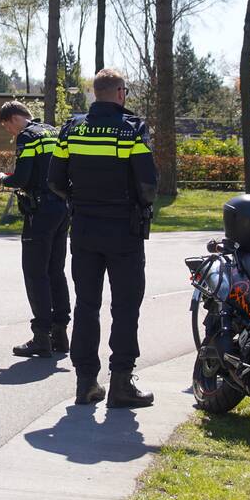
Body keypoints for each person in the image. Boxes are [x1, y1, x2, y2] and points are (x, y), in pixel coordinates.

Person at [48, 68, 158, 408]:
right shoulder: (130, 132)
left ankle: (86, 384)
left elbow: (54, 179)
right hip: (124, 231)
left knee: (86, 306)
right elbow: (149, 185)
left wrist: (78, 201)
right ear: (121, 93)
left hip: (83, 230)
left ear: (95, 93)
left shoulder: (71, 130)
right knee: (125, 307)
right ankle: (121, 384)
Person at [0, 101, 71, 358]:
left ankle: (41, 336)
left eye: (7, 127)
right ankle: (60, 333)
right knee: (55, 271)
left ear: (12, 119)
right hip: (62, 209)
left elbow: (23, 177)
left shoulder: (27, 137)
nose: (10, 133)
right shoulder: (53, 131)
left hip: (39, 212)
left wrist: (3, 180)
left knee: (35, 272)